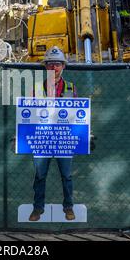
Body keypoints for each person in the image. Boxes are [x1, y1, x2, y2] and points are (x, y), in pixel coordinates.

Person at [29, 46, 78, 222]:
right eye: (50, 64)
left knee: (67, 175)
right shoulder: (36, 89)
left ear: (63, 66)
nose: (54, 67)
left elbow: (79, 116)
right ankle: (38, 209)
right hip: (42, 139)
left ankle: (68, 207)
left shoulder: (71, 88)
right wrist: (20, 136)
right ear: (45, 67)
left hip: (63, 140)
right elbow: (28, 116)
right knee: (40, 175)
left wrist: (86, 135)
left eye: (57, 64)